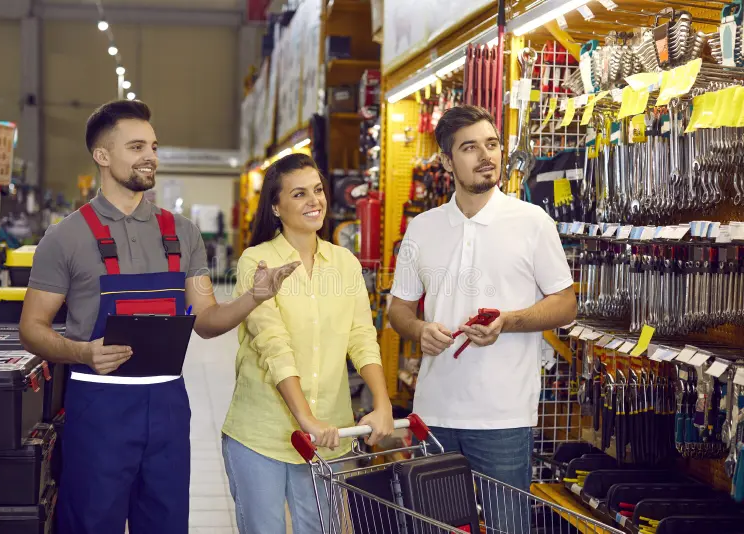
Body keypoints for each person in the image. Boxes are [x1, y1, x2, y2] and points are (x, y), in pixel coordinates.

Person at [19, 99, 297, 534]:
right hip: (99, 414)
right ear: (102, 156)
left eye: (153, 145)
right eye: (135, 147)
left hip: (167, 410)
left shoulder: (182, 233)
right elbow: (31, 329)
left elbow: (207, 320)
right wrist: (81, 351)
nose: (150, 155)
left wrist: (254, 298)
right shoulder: (66, 237)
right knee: (91, 524)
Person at [387, 105, 577, 532]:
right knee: (433, 527)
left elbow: (566, 304)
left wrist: (507, 321)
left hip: (504, 417)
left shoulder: (532, 223)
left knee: (507, 526)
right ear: (446, 160)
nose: (485, 156)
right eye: (470, 148)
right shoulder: (423, 228)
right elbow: (398, 309)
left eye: (491, 144)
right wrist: (419, 329)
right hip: (434, 413)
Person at [221, 153, 394, 533]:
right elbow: (273, 345)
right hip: (261, 433)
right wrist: (306, 420)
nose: (314, 201)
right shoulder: (258, 261)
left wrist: (382, 405)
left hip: (329, 435)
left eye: (317, 190)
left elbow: (362, 338)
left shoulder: (344, 262)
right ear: (276, 206)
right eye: (299, 194)